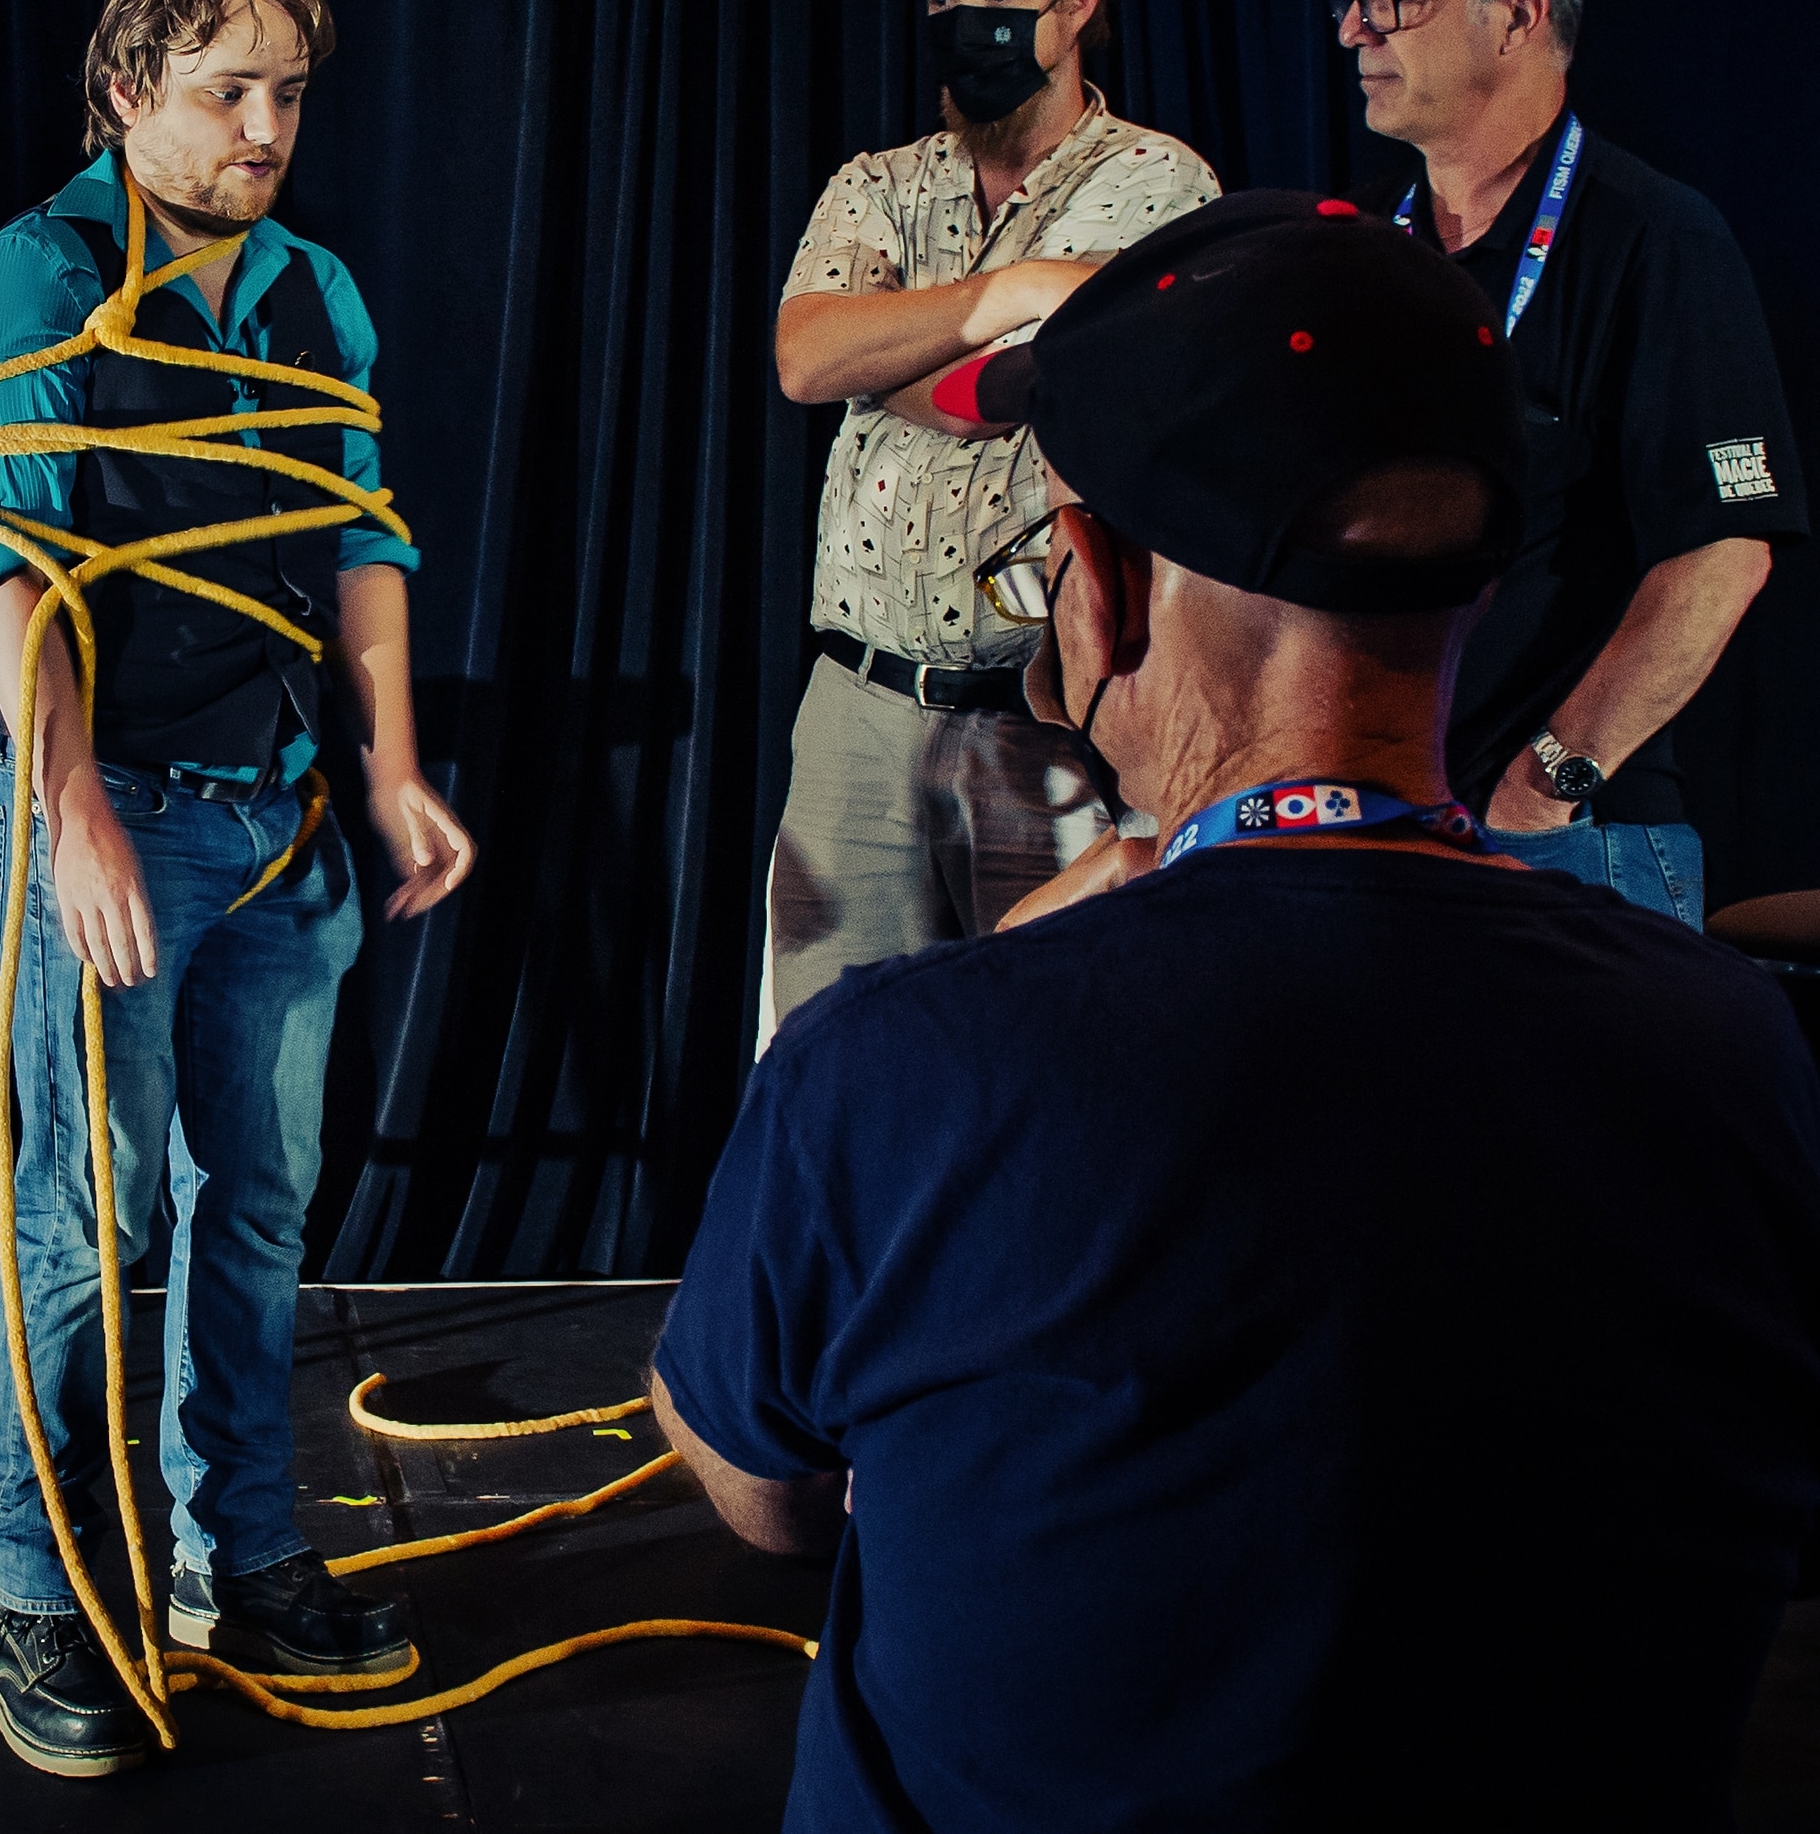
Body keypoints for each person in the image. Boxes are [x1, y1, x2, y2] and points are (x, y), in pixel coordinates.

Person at [653, 194, 1820, 1830]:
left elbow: (755, 1489)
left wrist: (985, 1008)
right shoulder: (1734, 1056)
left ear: (1101, 587)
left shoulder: (896, 1068)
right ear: (1467, 592)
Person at [0, 0, 476, 1778]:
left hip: (276, 804)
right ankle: (38, 1578)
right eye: (224, 89)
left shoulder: (314, 287)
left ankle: (239, 1554)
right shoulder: (30, 282)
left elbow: (361, 536)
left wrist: (390, 765)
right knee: (85, 1216)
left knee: (254, 1208)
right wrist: (67, 809)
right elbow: (10, 564)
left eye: (286, 91)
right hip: (112, 801)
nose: (263, 125)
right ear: (126, 91)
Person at [763, 0, 1218, 1038]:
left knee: (1053, 1053)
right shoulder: (878, 182)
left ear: (1075, 6)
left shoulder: (1157, 182)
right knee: (839, 1057)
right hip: (859, 702)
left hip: (1046, 716)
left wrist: (899, 359)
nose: (968, 30)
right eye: (940, 7)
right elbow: (809, 358)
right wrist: (1008, 290)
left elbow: (1016, 390)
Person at [1340, 0, 1805, 922]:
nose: (1356, 27)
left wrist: (1550, 781)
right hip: (1376, 828)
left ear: (1519, 11)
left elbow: (1723, 556)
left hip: (1561, 842)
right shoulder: (1366, 249)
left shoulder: (1655, 240)